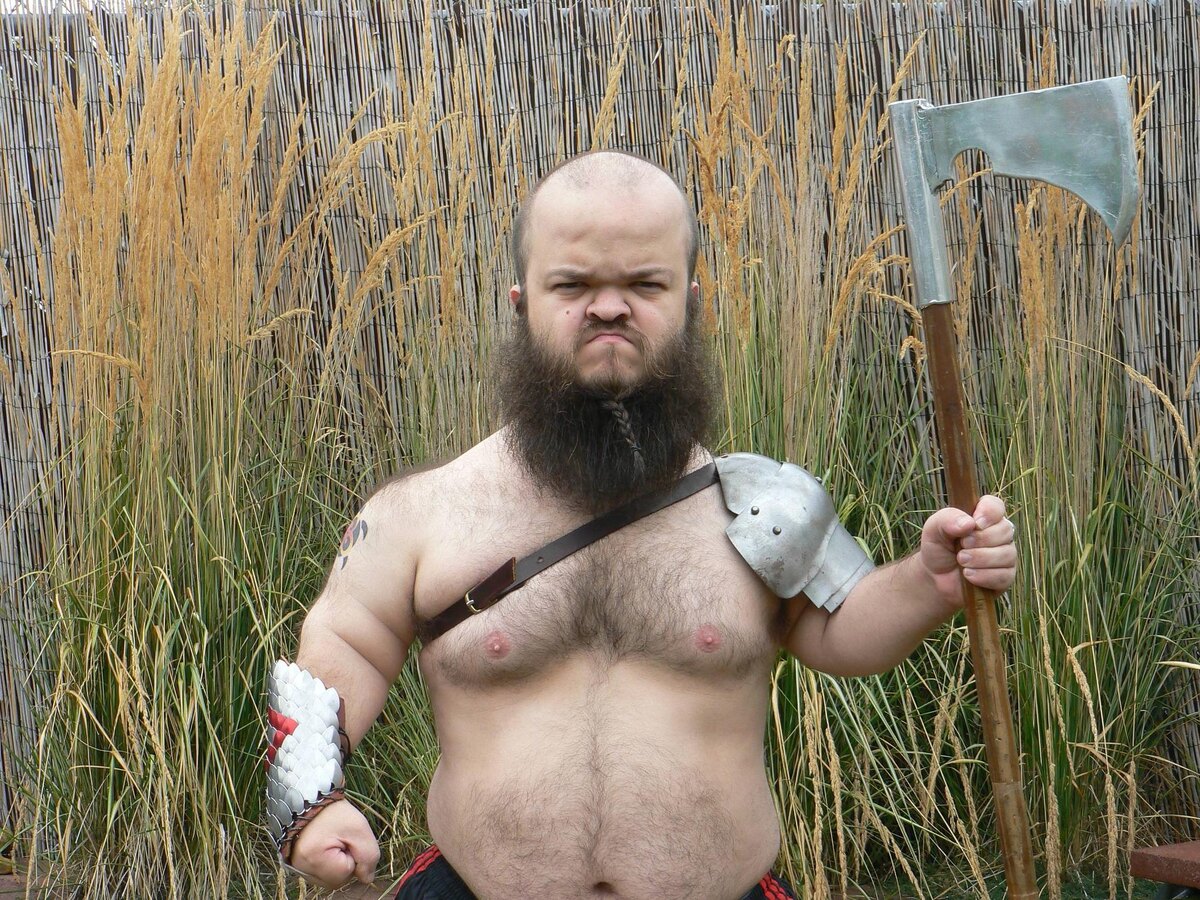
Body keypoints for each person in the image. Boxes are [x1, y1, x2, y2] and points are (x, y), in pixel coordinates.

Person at [263, 150, 1017, 900]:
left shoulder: (761, 506)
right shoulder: (422, 512)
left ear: (691, 299)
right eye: (573, 285)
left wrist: (930, 581)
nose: (609, 308)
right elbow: (346, 642)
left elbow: (841, 633)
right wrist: (311, 802)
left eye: (644, 285)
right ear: (521, 301)